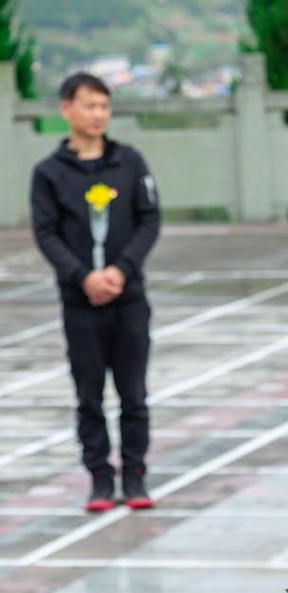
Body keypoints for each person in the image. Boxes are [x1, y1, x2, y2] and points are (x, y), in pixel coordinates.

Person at [30, 72, 161, 512]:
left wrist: (122, 271)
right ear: (67, 109)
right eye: (89, 106)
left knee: (134, 394)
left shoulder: (129, 162)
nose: (98, 115)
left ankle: (135, 476)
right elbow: (46, 232)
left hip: (128, 299)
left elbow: (149, 220)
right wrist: (82, 276)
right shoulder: (49, 173)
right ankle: (100, 480)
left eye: (104, 106)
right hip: (80, 303)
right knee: (88, 395)